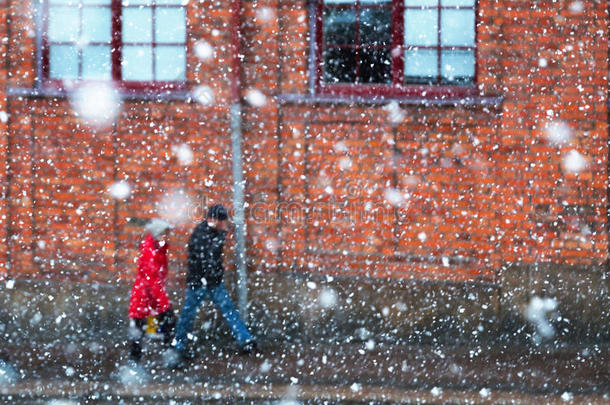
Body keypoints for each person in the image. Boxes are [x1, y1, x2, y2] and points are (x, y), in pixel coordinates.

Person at [169, 204, 255, 367]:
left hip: (209, 282)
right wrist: (210, 276)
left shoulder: (211, 232)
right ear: (212, 220)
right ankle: (179, 346)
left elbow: (210, 260)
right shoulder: (202, 235)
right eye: (222, 221)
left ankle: (245, 339)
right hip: (202, 283)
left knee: (226, 310)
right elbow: (205, 260)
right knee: (189, 315)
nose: (224, 225)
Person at [128, 218, 176, 362]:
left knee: (144, 329)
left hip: (151, 297)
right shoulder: (152, 252)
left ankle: (168, 354)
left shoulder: (158, 249)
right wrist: (164, 304)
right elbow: (152, 281)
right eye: (165, 234)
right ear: (157, 235)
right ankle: (136, 362)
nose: (168, 237)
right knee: (142, 329)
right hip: (144, 297)